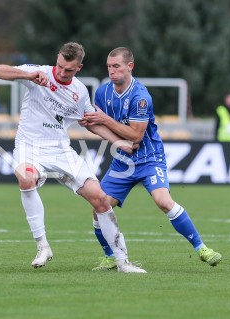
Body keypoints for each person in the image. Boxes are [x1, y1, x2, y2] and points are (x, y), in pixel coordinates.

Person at [0, 42, 146, 273]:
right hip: (29, 146)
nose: (62, 73)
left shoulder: (80, 92)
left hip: (60, 150)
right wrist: (28, 75)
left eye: (69, 70)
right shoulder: (39, 73)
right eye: (60, 66)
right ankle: (42, 246)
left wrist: (118, 142)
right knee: (26, 178)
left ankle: (123, 261)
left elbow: (91, 123)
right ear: (57, 59)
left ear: (79, 68)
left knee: (100, 199)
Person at [80, 47, 222, 271]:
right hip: (122, 161)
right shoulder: (102, 93)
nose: (111, 71)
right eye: (109, 66)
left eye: (116, 66)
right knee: (100, 206)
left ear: (130, 66)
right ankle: (109, 256)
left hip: (149, 159)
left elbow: (136, 135)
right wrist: (96, 125)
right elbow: (96, 125)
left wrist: (105, 120)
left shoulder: (141, 97)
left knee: (163, 202)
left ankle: (201, 248)